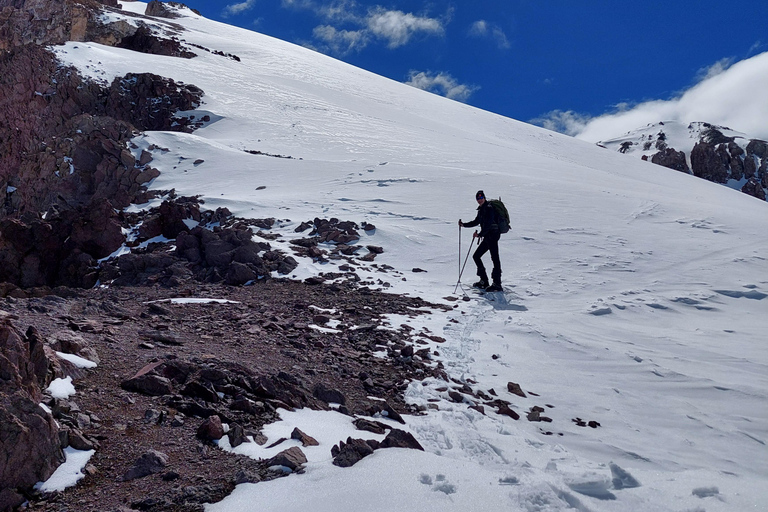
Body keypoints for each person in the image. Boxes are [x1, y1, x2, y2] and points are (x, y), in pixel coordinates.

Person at [459, 190, 502, 292]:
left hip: (493, 235)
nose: (479, 200)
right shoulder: (481, 209)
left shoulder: (489, 208)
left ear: (484, 198)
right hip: (488, 236)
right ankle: (484, 281)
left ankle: (497, 283)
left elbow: (488, 224)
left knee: (494, 258)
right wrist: (464, 225)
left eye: (481, 198)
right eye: (478, 199)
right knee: (477, 256)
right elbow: (476, 221)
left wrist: (480, 234)